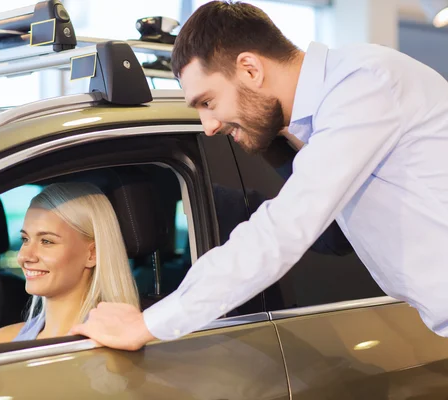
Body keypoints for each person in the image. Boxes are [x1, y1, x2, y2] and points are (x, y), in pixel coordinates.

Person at [70, 0, 448, 350]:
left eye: (207, 102)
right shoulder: (326, 115)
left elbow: (282, 229)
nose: (208, 126)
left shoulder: (363, 85)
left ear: (250, 68)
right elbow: (335, 236)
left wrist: (146, 325)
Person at [0, 182, 139, 343]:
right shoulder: (0, 342)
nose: (24, 256)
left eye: (46, 241)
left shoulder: (108, 349)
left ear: (93, 254)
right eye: (25, 239)